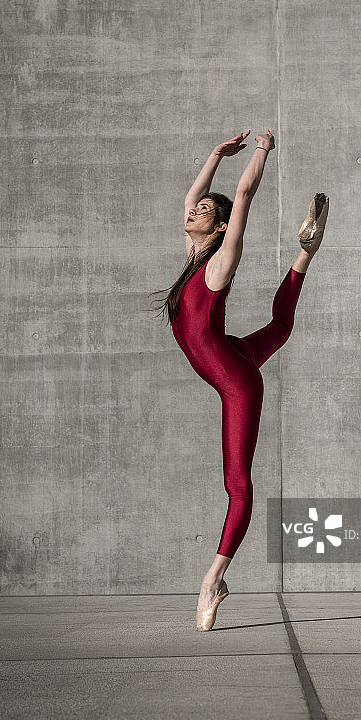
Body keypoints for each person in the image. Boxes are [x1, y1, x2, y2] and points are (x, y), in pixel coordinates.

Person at [151, 130, 329, 630]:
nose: (192, 212)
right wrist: (213, 156)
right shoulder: (191, 256)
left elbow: (244, 195)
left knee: (238, 486)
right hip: (233, 355)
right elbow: (189, 198)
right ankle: (306, 253)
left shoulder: (218, 263)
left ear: (222, 226)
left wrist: (262, 150)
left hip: (237, 381)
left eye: (205, 211)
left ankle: (214, 578)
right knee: (280, 328)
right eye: (195, 210)